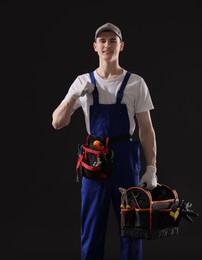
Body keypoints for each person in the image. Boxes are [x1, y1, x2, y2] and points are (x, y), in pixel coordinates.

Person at [52, 22, 158, 260]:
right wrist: (75, 97)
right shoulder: (82, 82)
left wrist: (151, 168)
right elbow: (57, 122)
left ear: (121, 45)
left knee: (132, 228)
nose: (107, 45)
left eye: (112, 41)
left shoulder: (136, 83)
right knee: (91, 231)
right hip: (94, 160)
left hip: (126, 161)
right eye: (102, 41)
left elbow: (146, 129)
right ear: (95, 47)